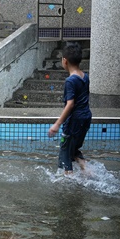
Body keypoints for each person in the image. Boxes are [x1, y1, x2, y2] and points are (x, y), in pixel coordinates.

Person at [47, 41, 92, 174]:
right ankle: (89, 172)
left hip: (74, 121)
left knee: (65, 153)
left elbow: (70, 104)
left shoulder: (70, 81)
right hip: (85, 118)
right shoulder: (85, 77)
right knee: (74, 151)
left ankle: (68, 184)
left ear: (64, 61)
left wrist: (57, 124)